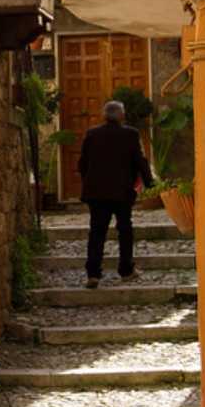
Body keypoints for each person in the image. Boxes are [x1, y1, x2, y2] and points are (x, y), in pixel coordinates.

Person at [77, 100, 154, 289]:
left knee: (97, 232)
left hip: (96, 193)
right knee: (125, 230)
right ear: (122, 116)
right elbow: (140, 161)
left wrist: (89, 182)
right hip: (122, 192)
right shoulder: (131, 134)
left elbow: (82, 163)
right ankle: (126, 269)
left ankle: (93, 274)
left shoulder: (92, 134)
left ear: (104, 116)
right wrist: (150, 184)